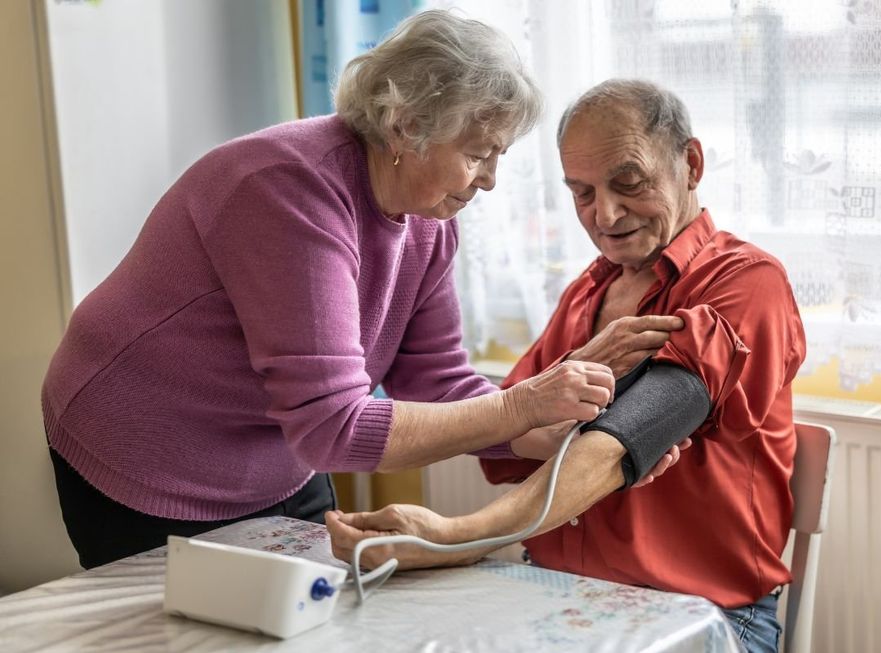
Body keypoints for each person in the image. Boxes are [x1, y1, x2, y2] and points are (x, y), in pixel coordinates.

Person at [40, 10, 623, 571]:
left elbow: (435, 382)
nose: (491, 181)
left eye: (499, 156)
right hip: (146, 445)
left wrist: (531, 434)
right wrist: (518, 406)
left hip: (279, 448)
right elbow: (333, 428)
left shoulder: (430, 217)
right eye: (476, 155)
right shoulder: (289, 191)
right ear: (406, 126)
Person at [326, 79, 806, 653]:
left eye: (628, 182)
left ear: (691, 163)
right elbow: (510, 428)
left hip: (699, 618)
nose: (604, 213)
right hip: (558, 598)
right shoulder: (586, 292)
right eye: (582, 193)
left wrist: (455, 537)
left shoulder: (746, 282)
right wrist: (528, 420)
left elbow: (625, 439)